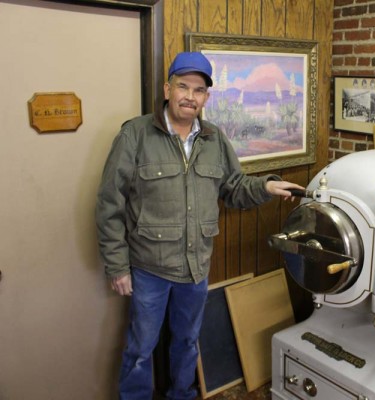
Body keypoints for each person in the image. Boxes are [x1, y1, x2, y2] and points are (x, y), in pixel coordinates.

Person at [95, 51, 304, 400]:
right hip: (149, 269)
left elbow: (234, 188)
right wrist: (118, 266)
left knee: (187, 343)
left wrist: (266, 186)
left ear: (207, 96)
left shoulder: (214, 139)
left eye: (199, 90)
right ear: (167, 89)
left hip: (196, 268)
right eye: (183, 86)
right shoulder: (135, 135)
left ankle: (183, 395)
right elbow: (109, 204)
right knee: (140, 349)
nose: (190, 96)